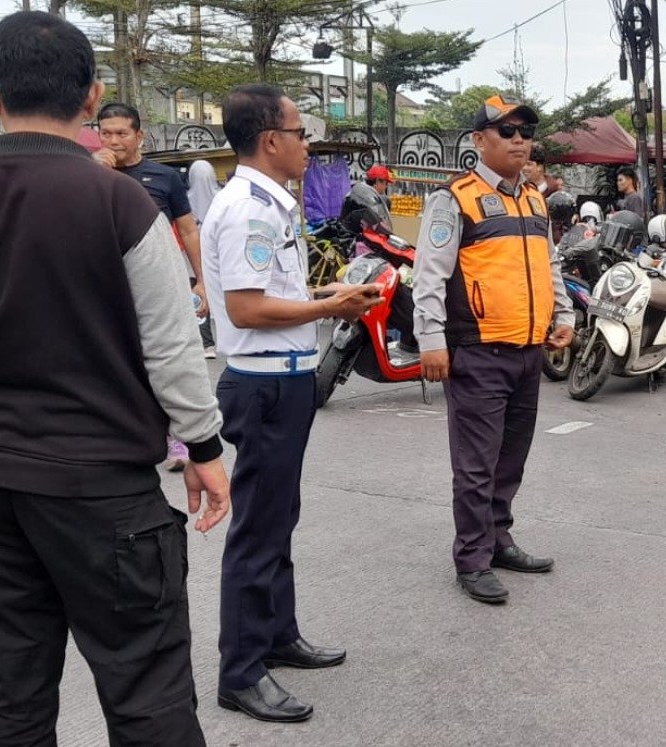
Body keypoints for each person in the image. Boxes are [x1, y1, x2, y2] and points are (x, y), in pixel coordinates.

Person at [0, 11, 231, 745]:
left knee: (10, 683)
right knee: (145, 686)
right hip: (101, 488)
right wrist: (204, 450)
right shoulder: (120, 203)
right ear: (91, 99)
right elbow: (171, 347)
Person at [203, 83, 381, 723]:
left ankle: (277, 633)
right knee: (257, 527)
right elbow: (247, 308)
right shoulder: (249, 207)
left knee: (278, 516)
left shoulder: (271, 203)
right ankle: (241, 670)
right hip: (266, 382)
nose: (309, 143)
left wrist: (323, 291)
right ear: (271, 139)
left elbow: (269, 289)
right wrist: (329, 305)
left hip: (286, 375)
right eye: (302, 133)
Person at [412, 94, 575, 604]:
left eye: (526, 132)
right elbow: (428, 276)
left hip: (527, 351)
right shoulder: (453, 198)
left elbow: (549, 265)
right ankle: (472, 558)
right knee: (476, 464)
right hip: (479, 352)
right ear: (479, 140)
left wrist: (564, 315)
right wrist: (431, 340)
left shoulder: (533, 198)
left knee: (511, 458)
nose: (520, 141)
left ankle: (498, 538)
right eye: (506, 132)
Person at [95, 103, 213, 471]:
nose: (113, 141)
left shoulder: (164, 177)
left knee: (167, 353)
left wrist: (202, 281)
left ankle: (177, 437)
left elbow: (189, 229)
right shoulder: (86, 173)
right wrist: (95, 174)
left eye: (121, 133)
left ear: (139, 136)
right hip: (106, 280)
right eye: (106, 133)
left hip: (161, 279)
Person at [188, 159, 221, 357]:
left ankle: (206, 343)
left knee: (198, 299)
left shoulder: (184, 199)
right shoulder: (221, 197)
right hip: (218, 256)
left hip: (191, 257)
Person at [363, 163, 395, 232]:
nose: (386, 186)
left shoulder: (381, 199)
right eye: (385, 183)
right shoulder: (367, 199)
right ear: (377, 181)